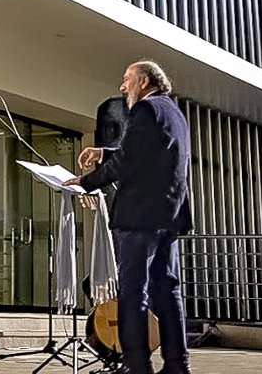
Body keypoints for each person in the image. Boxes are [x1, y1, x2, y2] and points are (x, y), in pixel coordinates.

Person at [66, 61, 192, 374]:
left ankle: (138, 365)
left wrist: (85, 182)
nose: (123, 88)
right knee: (168, 290)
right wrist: (104, 152)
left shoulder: (144, 110)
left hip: (139, 217)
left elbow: (129, 163)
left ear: (144, 81)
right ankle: (178, 365)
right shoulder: (173, 112)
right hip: (168, 216)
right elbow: (146, 154)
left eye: (127, 80)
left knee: (133, 292)